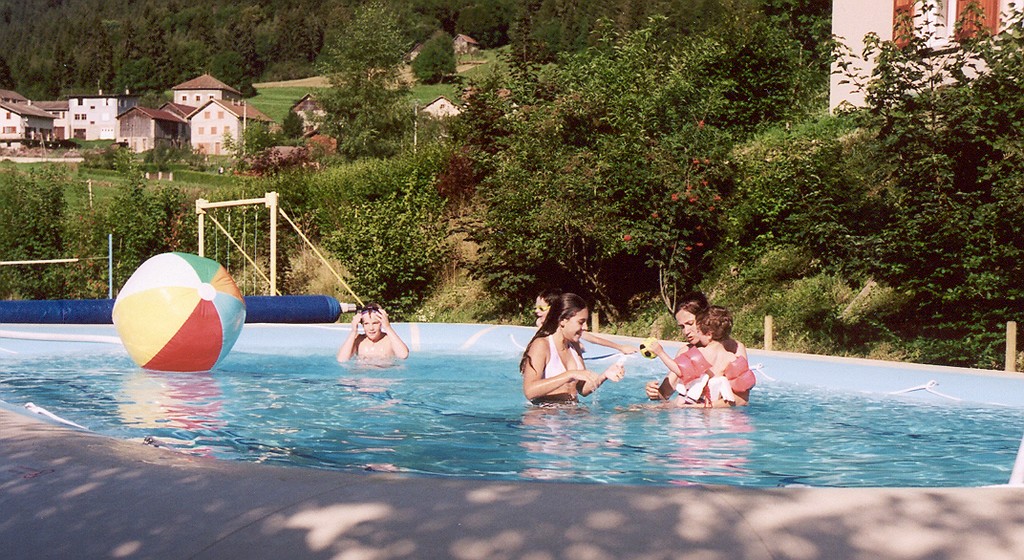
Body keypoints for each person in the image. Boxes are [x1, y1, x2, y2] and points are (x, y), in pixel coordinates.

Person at [520, 292, 625, 404]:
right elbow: (530, 391)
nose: (585, 328)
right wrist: (569, 374)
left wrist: (605, 375)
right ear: (563, 320)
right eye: (581, 322)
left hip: (571, 413)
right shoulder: (542, 345)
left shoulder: (574, 346)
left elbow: (582, 389)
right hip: (545, 415)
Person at [653, 306, 755, 407]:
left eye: (699, 330)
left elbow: (680, 370)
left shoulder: (701, 353)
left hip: (692, 404)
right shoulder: (732, 358)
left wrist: (660, 353)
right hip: (717, 411)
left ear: (709, 334)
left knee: (649, 408)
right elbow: (742, 392)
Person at [643, 292, 712, 400]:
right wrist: (653, 392)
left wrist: (697, 407)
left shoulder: (731, 348)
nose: (686, 331)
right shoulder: (685, 352)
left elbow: (740, 401)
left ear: (705, 318)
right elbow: (664, 395)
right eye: (682, 327)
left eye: (690, 323)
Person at [534, 289, 638, 356]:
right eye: (536, 308)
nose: (536, 311)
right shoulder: (540, 324)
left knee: (578, 346)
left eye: (541, 308)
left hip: (572, 352)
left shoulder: (564, 326)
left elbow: (592, 338)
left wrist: (620, 347)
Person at [336, 303, 410, 362]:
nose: (371, 328)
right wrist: (353, 331)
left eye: (375, 323)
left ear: (381, 323)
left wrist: (388, 327)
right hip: (362, 378)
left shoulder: (389, 340)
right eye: (366, 324)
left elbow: (404, 355)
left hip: (384, 377)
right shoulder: (358, 340)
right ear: (362, 324)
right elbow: (342, 359)